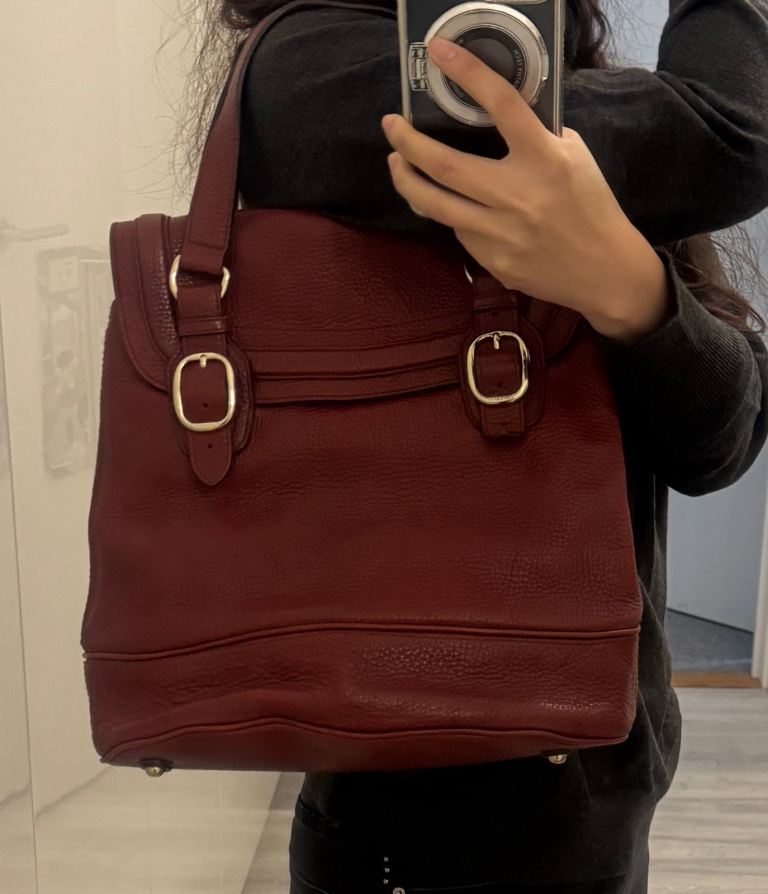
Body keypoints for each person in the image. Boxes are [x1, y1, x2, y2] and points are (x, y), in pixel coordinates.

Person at [173, 1, 768, 891]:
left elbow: (718, 441)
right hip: (395, 824)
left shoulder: (583, 100)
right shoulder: (310, 65)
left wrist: (632, 291)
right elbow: (732, 136)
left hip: (602, 789)